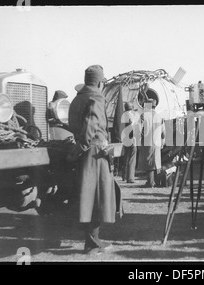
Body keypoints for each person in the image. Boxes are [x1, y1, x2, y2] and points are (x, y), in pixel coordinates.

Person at [66, 65, 121, 255]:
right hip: (95, 152)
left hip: (85, 151)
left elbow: (76, 124)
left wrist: (77, 149)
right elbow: (91, 124)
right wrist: (83, 146)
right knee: (98, 197)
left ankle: (92, 240)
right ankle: (92, 243)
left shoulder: (78, 98)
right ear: (99, 82)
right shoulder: (96, 97)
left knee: (89, 196)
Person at [137, 99, 165, 188]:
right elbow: (163, 133)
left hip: (147, 141)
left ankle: (150, 182)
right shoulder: (160, 117)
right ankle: (157, 182)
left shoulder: (143, 116)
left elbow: (138, 130)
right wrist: (162, 142)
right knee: (156, 162)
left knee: (148, 162)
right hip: (157, 142)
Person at [121, 102, 139, 183]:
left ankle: (124, 175)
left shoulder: (124, 114)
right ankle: (130, 177)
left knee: (126, 157)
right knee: (132, 158)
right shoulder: (131, 115)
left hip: (125, 138)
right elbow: (132, 125)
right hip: (132, 138)